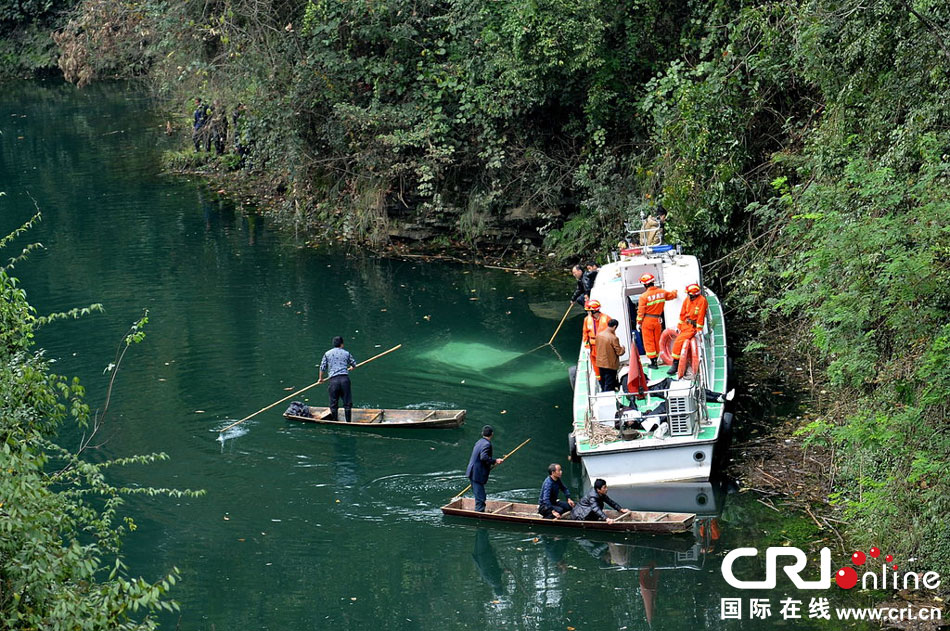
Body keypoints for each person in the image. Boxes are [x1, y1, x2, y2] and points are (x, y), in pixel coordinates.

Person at [636, 273, 678, 369]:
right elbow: (672, 296)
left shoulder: (643, 296)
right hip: (657, 320)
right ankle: (658, 358)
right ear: (653, 282)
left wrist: (638, 322)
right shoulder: (662, 292)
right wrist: (675, 291)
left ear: (645, 284)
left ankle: (653, 362)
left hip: (647, 321)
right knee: (657, 340)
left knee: (648, 341)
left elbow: (641, 311)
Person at [669, 283, 708, 376]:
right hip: (685, 325)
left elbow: (701, 316)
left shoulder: (702, 301)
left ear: (694, 294)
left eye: (689, 294)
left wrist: (699, 330)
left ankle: (675, 363)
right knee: (679, 340)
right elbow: (682, 313)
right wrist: (679, 326)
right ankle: (677, 362)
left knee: (678, 342)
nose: (688, 295)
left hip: (692, 328)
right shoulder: (687, 300)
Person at [466, 425, 504, 512]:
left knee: (478, 494)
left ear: (482, 433)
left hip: (472, 471)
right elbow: (483, 457)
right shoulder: (486, 444)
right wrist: (495, 461)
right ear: (492, 434)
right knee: (481, 497)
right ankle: (479, 513)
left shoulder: (479, 442)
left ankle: (479, 510)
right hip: (476, 473)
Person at [318, 336, 357, 422]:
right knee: (347, 402)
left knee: (333, 403)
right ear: (342, 344)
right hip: (344, 380)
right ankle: (348, 421)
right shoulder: (346, 353)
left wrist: (320, 379)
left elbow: (322, 367)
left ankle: (335, 420)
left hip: (333, 381)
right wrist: (352, 367)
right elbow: (354, 364)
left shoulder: (327, 354)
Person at [582, 300, 611, 378]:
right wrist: (587, 347)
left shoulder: (606, 318)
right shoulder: (587, 320)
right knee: (596, 368)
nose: (588, 313)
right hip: (593, 348)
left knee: (606, 368)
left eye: (589, 311)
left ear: (594, 311)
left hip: (604, 347)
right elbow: (585, 334)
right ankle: (600, 382)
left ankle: (609, 385)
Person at [595, 319, 625, 391]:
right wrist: (623, 349)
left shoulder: (599, 335)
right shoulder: (613, 338)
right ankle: (608, 398)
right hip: (609, 365)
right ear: (615, 327)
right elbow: (619, 352)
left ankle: (603, 393)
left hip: (600, 363)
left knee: (603, 381)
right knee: (609, 384)